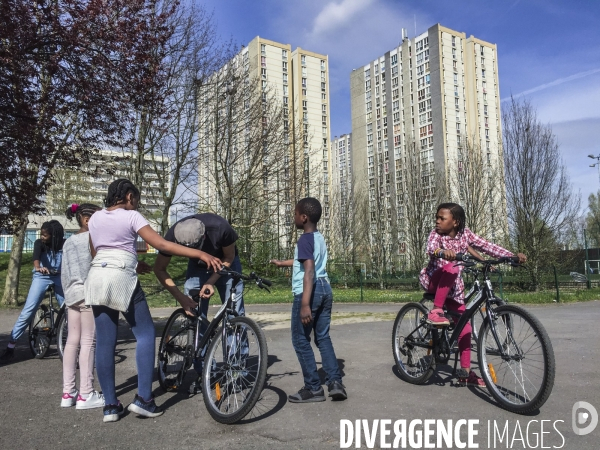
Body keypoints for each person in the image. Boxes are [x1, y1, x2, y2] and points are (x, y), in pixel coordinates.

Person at [84, 179, 222, 423]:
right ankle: (145, 399)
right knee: (145, 333)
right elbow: (160, 244)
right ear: (128, 196)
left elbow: (98, 251)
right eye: (135, 198)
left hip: (96, 276)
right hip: (121, 276)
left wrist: (136, 263)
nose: (136, 203)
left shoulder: (94, 218)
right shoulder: (131, 216)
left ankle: (110, 406)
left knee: (105, 341)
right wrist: (200, 252)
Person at [420, 202, 527, 386]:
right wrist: (443, 252)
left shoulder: (465, 234)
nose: (437, 221)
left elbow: (486, 245)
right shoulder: (435, 234)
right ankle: (436, 310)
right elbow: (431, 249)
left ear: (455, 222)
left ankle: (465, 373)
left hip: (454, 290)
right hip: (434, 281)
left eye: (442, 218)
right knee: (452, 267)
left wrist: (511, 256)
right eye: (436, 218)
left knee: (466, 328)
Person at [153, 212, 245, 390]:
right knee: (196, 317)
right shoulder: (173, 234)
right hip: (197, 267)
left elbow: (229, 257)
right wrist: (182, 300)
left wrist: (211, 281)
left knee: (234, 315)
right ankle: (204, 370)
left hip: (226, 263)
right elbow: (159, 269)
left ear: (204, 236)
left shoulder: (221, 228)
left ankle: (236, 368)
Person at [270, 197, 347, 403]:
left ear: (303, 218)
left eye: (295, 214)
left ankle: (313, 388)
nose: (293, 217)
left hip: (309, 291)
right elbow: (305, 262)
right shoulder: (318, 238)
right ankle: (335, 382)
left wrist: (305, 304)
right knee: (322, 337)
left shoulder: (304, 239)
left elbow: (309, 270)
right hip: (325, 288)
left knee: (300, 339)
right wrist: (283, 263)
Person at [0, 220, 65, 363]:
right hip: (41, 276)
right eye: (41, 234)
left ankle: (70, 340)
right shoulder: (39, 243)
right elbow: (36, 258)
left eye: (45, 235)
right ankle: (11, 346)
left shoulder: (65, 244)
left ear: (54, 236)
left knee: (68, 308)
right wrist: (38, 267)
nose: (42, 236)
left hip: (59, 276)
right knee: (28, 311)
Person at [60, 203, 104, 409]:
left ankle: (68, 392)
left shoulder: (68, 242)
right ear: (87, 220)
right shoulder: (92, 238)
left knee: (72, 342)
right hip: (88, 294)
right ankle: (86, 392)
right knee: (89, 342)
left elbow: (64, 272)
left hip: (71, 294)